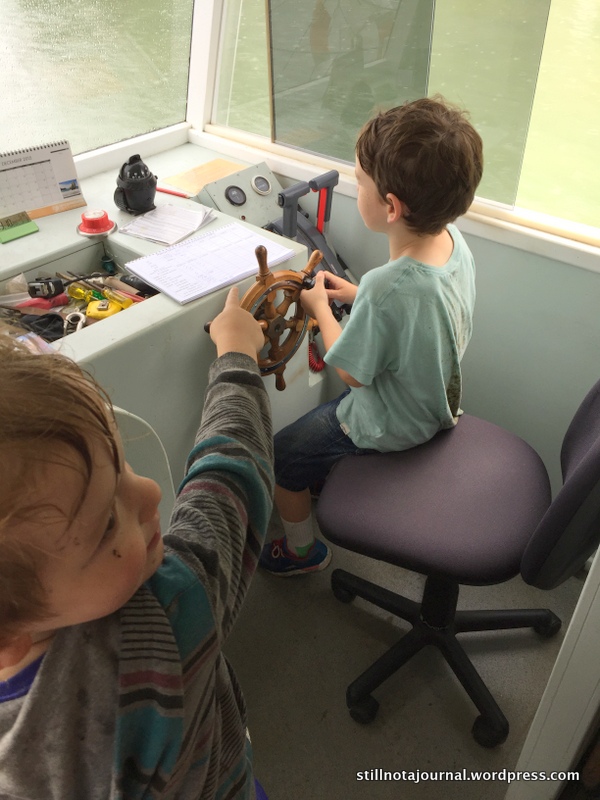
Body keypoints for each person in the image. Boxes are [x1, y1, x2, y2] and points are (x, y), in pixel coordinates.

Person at [0, 286, 273, 799]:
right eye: (106, 521)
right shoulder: (161, 620)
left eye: (121, 463)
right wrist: (237, 354)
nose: (150, 492)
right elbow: (231, 479)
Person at [260, 95, 484, 576]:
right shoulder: (451, 241)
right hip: (434, 402)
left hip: (390, 422)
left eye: (358, 181)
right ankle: (325, 476)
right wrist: (358, 294)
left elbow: (350, 373)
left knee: (282, 456)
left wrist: (321, 309)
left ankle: (301, 552)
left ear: (391, 206)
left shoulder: (387, 288)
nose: (353, 186)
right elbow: (418, 308)